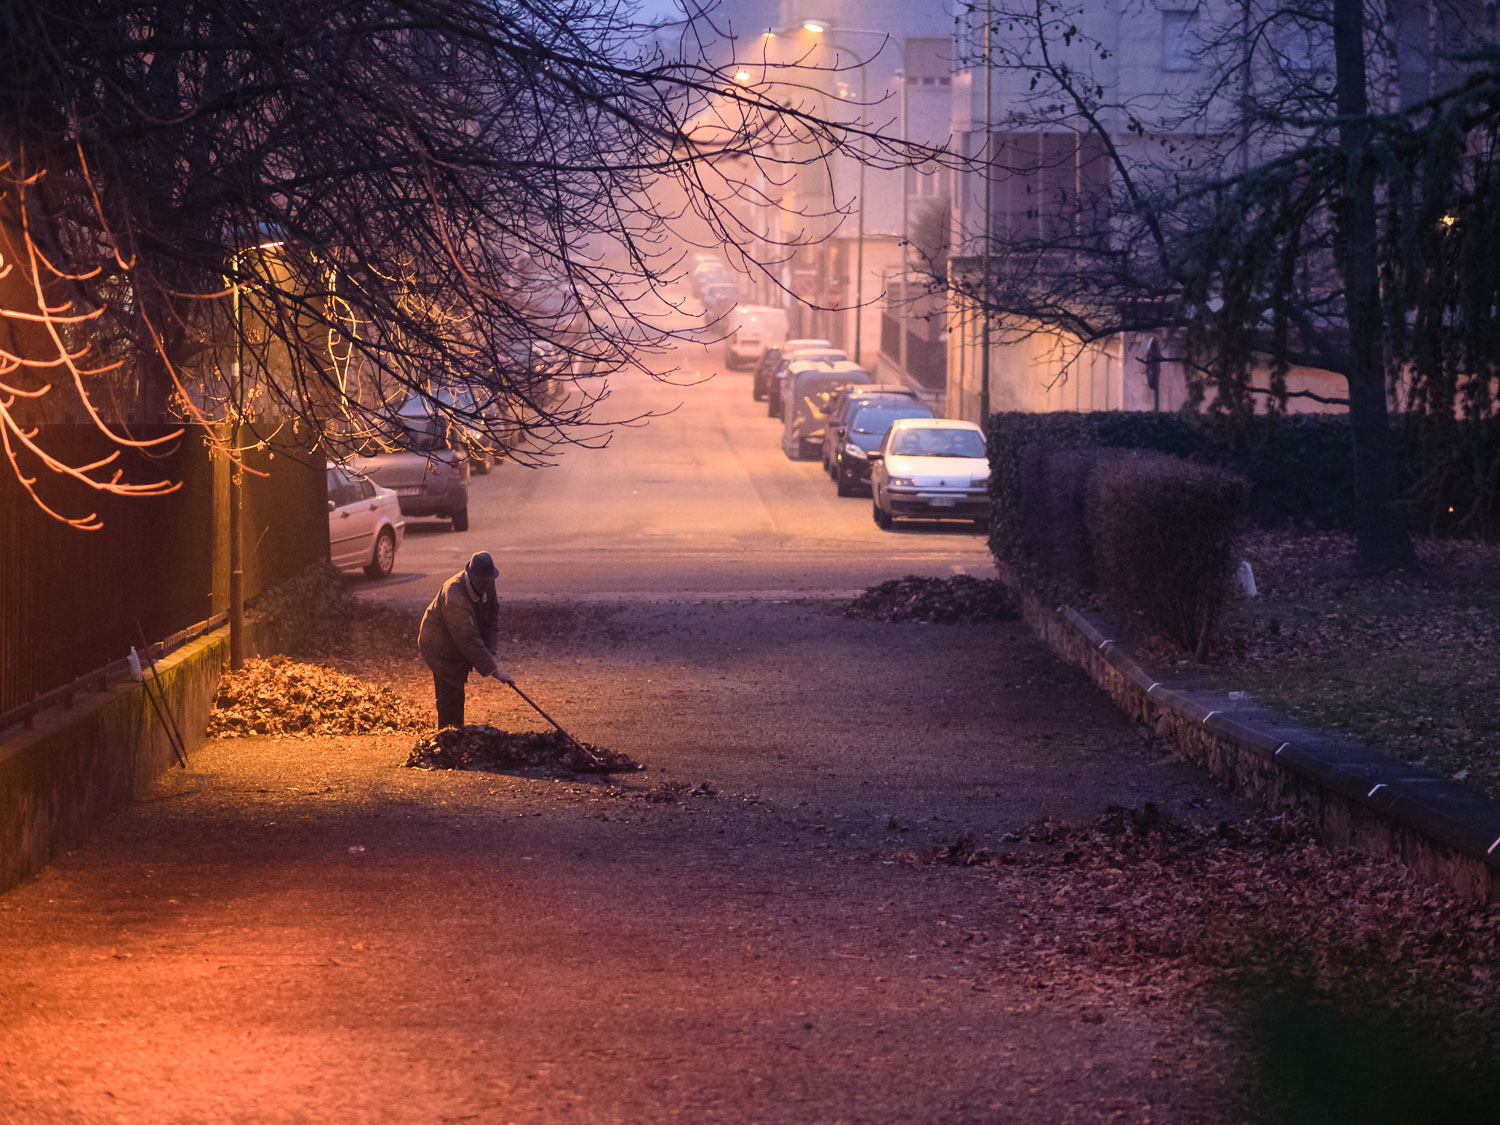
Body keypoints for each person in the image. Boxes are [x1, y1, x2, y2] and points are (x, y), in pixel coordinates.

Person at [418, 551, 514, 728]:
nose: (487, 585)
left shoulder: (487, 582)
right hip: (439, 646)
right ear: (472, 577)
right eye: (483, 582)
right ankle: (447, 738)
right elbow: (467, 638)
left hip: (458, 641)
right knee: (449, 692)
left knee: (458, 690)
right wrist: (494, 670)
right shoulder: (454, 594)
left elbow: (492, 615)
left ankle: (457, 731)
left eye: (489, 581)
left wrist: (490, 651)